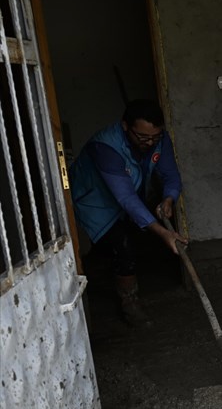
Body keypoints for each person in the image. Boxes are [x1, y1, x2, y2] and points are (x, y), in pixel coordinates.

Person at [69, 99, 188, 326]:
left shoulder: (158, 140)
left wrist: (169, 198)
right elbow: (125, 198)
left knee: (127, 242)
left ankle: (112, 271)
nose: (150, 142)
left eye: (155, 136)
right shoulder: (105, 147)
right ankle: (130, 305)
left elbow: (171, 174)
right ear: (125, 126)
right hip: (95, 202)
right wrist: (163, 232)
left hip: (127, 199)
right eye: (143, 137)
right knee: (122, 244)